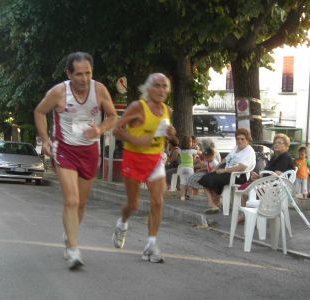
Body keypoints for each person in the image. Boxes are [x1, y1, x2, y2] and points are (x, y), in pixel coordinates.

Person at [34, 52, 117, 270]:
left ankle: (69, 234)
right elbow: (40, 112)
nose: (84, 78)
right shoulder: (59, 92)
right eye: (79, 74)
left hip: (90, 151)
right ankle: (73, 249)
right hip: (65, 150)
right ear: (69, 73)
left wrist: (99, 129)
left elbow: (112, 116)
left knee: (81, 203)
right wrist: (45, 140)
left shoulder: (99, 90)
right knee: (71, 200)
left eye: (88, 73)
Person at [112, 73, 176, 263]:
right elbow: (116, 129)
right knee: (133, 205)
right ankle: (122, 223)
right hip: (133, 159)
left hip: (155, 160)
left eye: (165, 86)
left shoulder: (167, 110)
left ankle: (150, 244)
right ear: (148, 89)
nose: (161, 90)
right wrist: (137, 141)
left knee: (158, 201)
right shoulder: (138, 107)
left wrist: (172, 134)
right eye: (157, 85)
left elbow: (166, 136)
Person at [198, 128, 255, 214]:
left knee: (209, 179)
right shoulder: (236, 148)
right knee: (206, 178)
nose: (239, 141)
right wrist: (216, 167)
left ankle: (215, 204)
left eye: (242, 139)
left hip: (238, 176)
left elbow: (242, 168)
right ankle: (213, 204)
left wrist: (224, 170)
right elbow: (226, 159)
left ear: (247, 140)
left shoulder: (249, 151)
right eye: (237, 139)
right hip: (228, 172)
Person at [177, 136, 197, 201]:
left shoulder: (180, 151)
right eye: (191, 141)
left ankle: (182, 197)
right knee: (190, 183)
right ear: (190, 143)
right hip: (190, 168)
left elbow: (178, 154)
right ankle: (189, 196)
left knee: (182, 183)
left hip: (182, 168)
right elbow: (198, 155)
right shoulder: (192, 151)